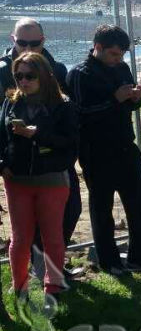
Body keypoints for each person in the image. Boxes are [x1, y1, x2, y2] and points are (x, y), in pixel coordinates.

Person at [66, 25, 141, 275]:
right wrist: (114, 100)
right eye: (114, 54)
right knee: (102, 207)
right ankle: (110, 262)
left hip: (125, 146)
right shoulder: (79, 74)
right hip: (95, 150)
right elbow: (79, 114)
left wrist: (135, 99)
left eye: (122, 55)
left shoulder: (121, 68)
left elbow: (129, 107)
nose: (119, 60)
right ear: (97, 47)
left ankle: (139, 258)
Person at [0, 18, 82, 273]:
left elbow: (67, 116)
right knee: (23, 230)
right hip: (18, 164)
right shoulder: (1, 70)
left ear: (43, 42)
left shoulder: (55, 68)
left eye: (33, 43)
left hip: (55, 162)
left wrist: (47, 139)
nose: (28, 47)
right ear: (13, 40)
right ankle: (38, 273)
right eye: (22, 42)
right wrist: (2, 162)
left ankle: (50, 269)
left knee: (70, 211)